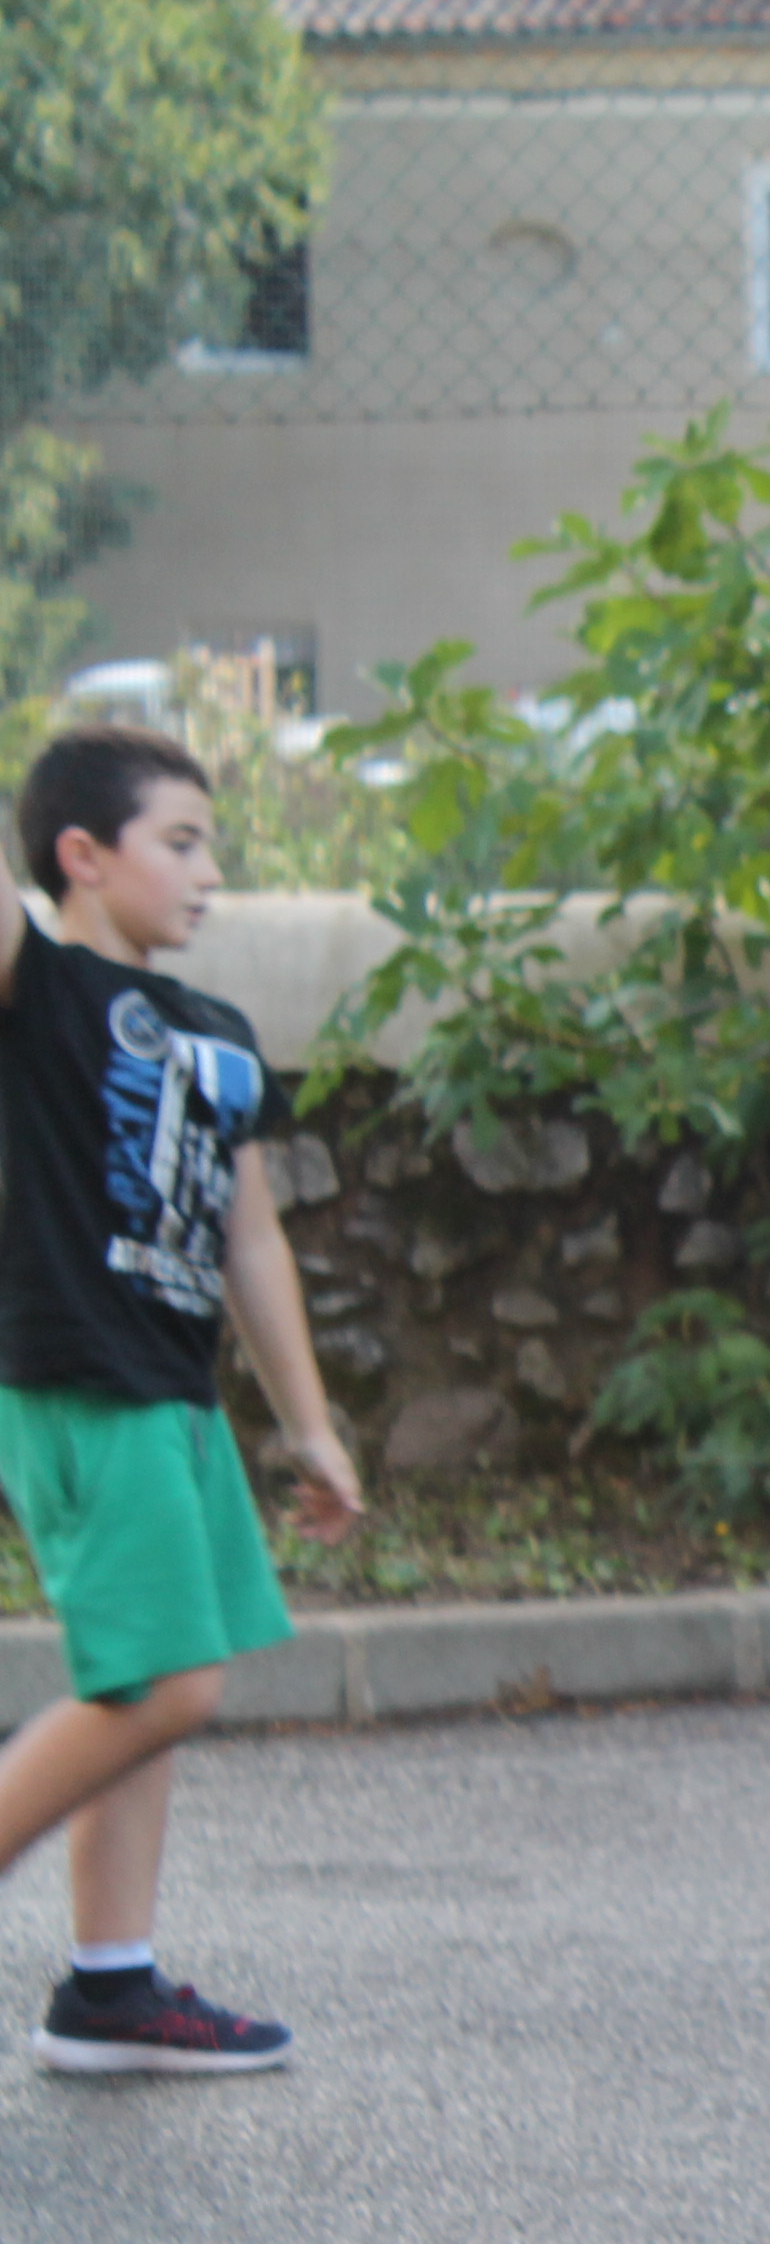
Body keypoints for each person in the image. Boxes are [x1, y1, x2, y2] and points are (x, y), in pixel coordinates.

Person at [2, 726, 365, 2073]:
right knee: (167, 1684)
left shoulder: (219, 1037)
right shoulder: (37, 991)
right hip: (78, 1378)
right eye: (181, 842)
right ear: (81, 856)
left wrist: (308, 1423)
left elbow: (250, 1242)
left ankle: (111, 1987)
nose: (211, 871)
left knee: (141, 1683)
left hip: (175, 1393)